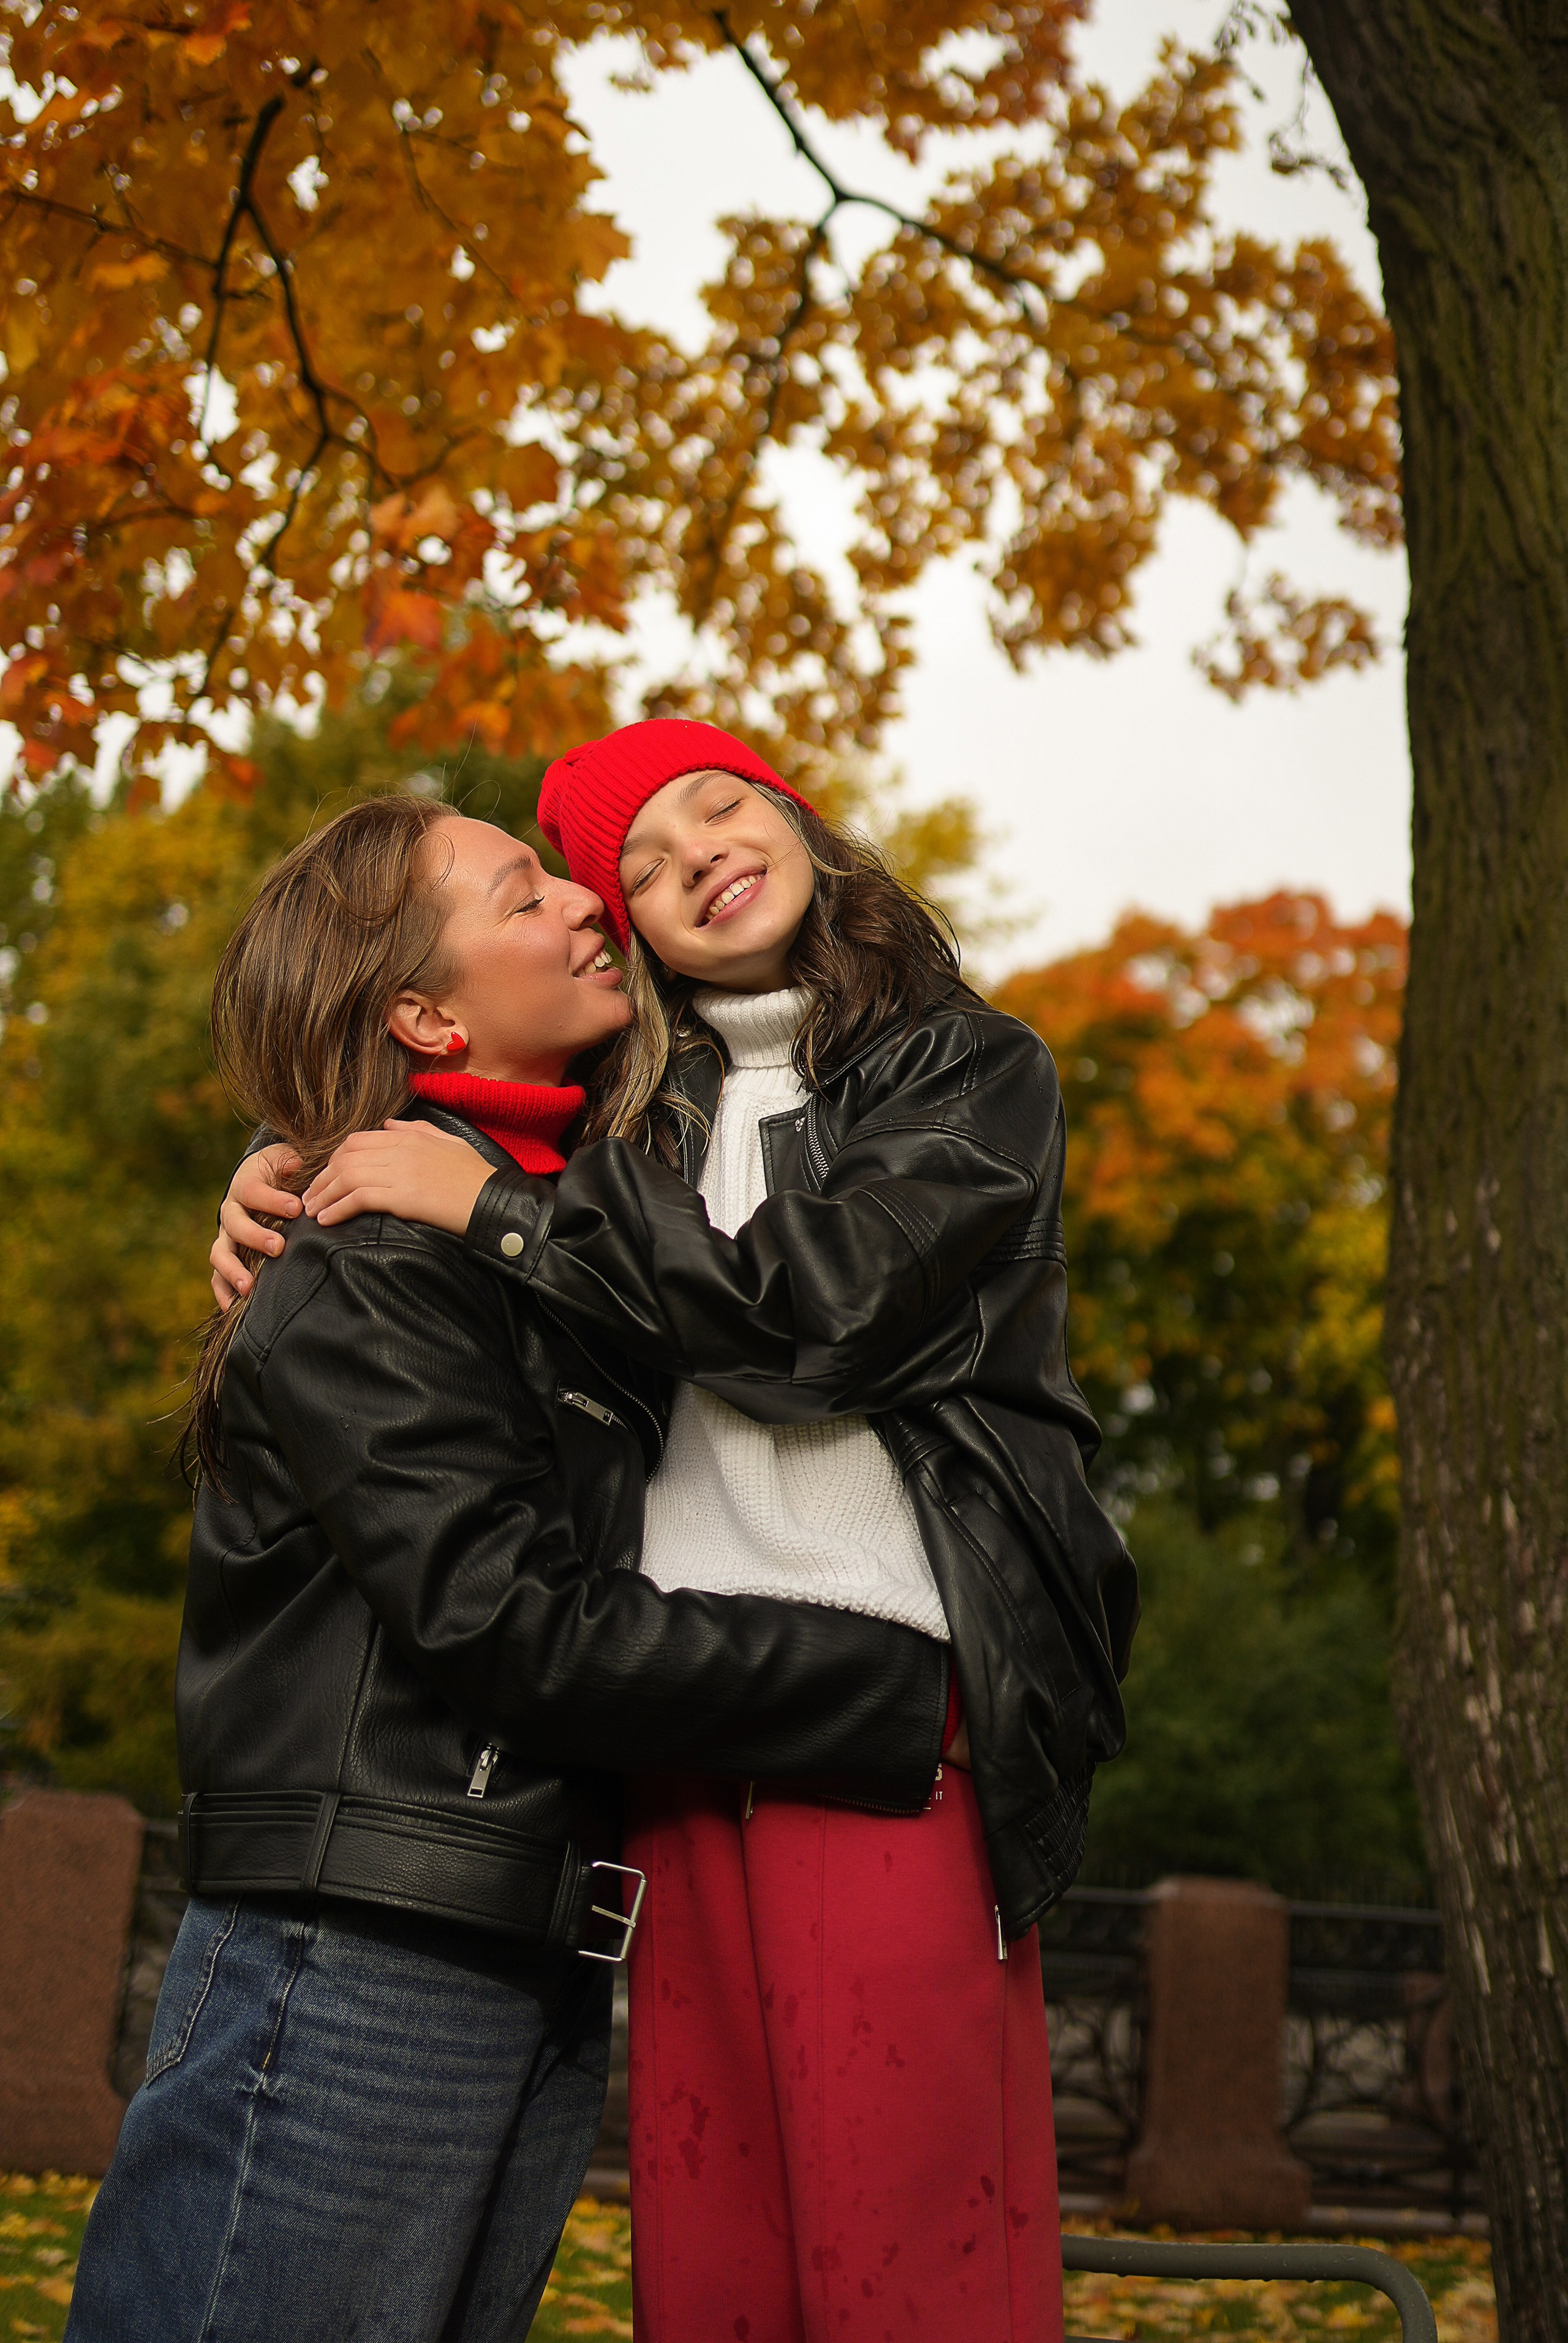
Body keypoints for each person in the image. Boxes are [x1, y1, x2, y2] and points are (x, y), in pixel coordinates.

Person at [217, 722, 1138, 2343]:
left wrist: (483, 1205)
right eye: (625, 865)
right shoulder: (627, 1104)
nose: (688, 854)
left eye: (717, 802)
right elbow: (425, 1095)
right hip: (661, 1727)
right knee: (716, 2259)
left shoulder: (967, 1070)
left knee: (908, 2261)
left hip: (885, 1704)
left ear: (792, 809)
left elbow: (820, 1315)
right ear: (620, 927)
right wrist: (278, 1170)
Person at [69, 794, 954, 2343]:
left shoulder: (548, 1235)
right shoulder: (370, 1257)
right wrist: (889, 1687)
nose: (589, 907)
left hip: (523, 1944)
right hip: (353, 1955)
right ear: (421, 1008)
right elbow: (515, 1626)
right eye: (523, 893)